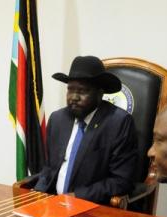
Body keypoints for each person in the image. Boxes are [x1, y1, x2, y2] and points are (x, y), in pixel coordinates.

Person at [34, 56, 138, 205]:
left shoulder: (118, 123)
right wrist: (37, 194)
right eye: (70, 90)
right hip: (53, 205)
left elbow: (122, 180)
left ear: (100, 93)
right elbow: (50, 168)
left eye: (82, 91)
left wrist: (77, 196)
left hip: (91, 207)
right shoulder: (58, 119)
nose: (74, 97)